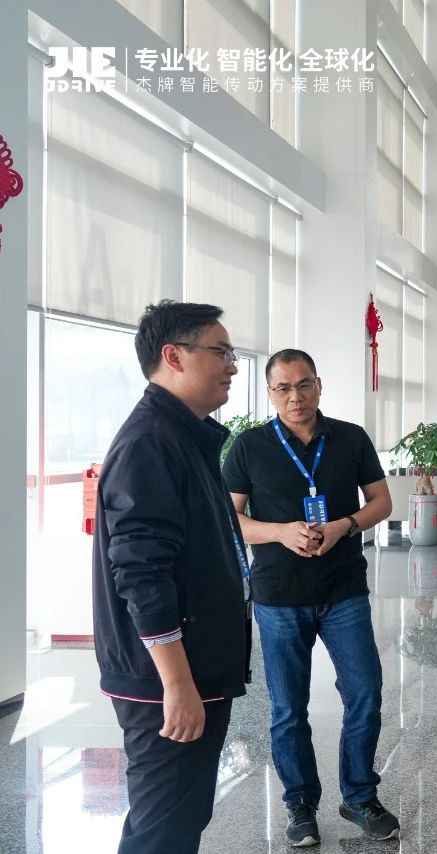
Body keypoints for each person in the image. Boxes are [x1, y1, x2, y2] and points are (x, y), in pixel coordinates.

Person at [92, 300, 251, 854]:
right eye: (220, 352)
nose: (233, 366)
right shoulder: (151, 442)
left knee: (178, 820)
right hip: (166, 679)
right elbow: (142, 573)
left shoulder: (184, 435)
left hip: (192, 667)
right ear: (173, 356)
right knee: (162, 831)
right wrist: (178, 685)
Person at [222, 349, 397, 845]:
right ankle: (300, 804)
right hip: (279, 596)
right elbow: (230, 519)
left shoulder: (350, 438)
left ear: (319, 385)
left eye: (303, 385)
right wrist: (280, 532)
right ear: (270, 392)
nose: (295, 396)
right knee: (287, 707)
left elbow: (382, 501)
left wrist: (345, 525)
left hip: (343, 589)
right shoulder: (249, 446)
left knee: (364, 692)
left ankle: (359, 796)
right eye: (283, 388)